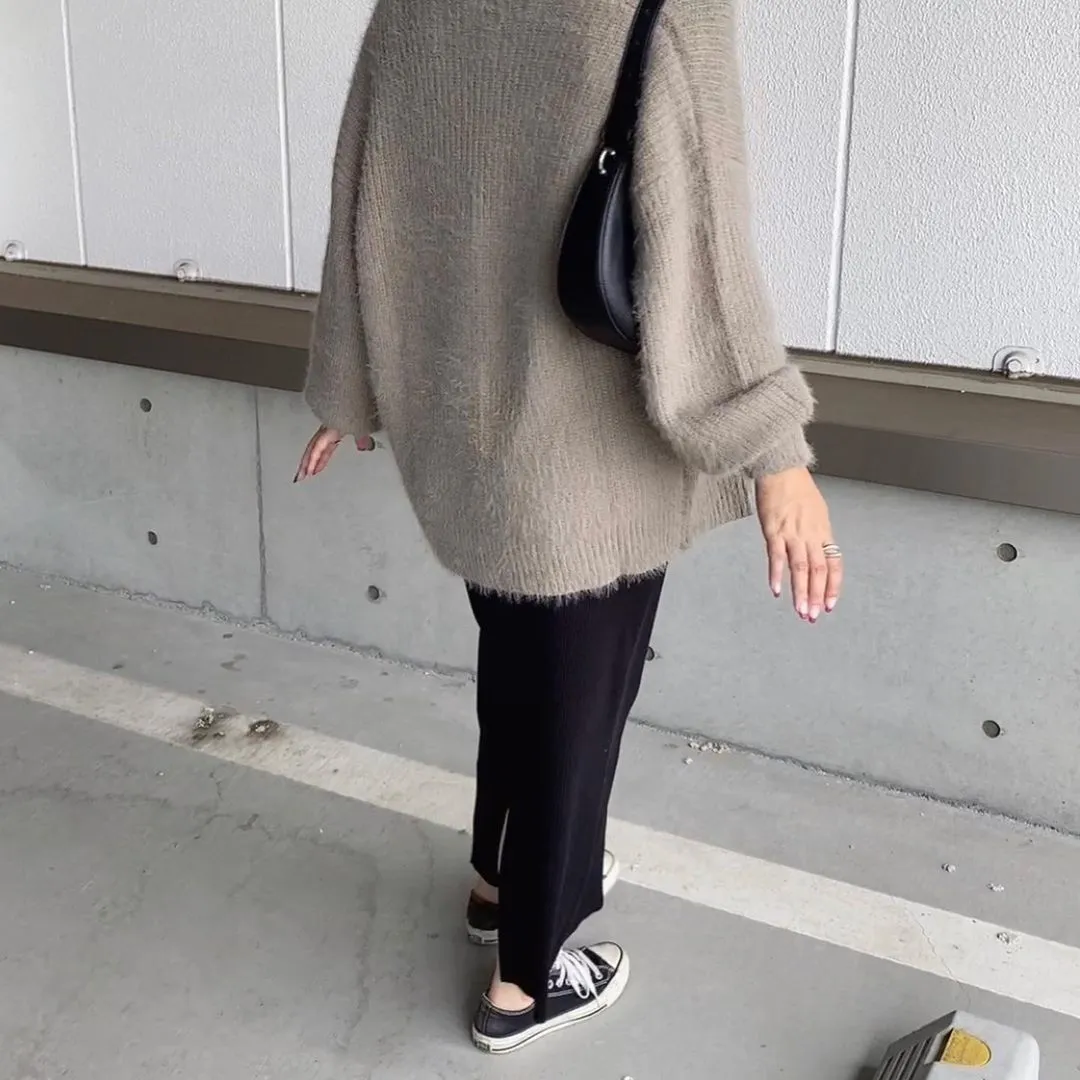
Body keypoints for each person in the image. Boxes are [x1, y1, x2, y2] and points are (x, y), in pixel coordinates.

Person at [295, 0, 843, 1056]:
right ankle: (526, 981)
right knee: (577, 714)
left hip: (462, 429)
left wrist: (347, 386)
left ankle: (498, 884)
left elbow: (359, 192)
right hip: (589, 450)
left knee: (519, 672)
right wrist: (776, 455)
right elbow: (704, 250)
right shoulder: (666, 9)